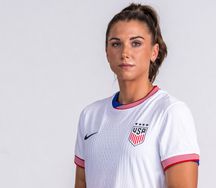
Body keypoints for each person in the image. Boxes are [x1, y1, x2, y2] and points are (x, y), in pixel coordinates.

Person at [74, 3, 200, 188]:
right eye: (116, 44)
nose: (125, 53)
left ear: (154, 52)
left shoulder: (170, 113)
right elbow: (82, 182)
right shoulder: (90, 116)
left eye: (136, 43)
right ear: (107, 52)